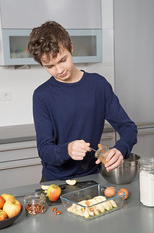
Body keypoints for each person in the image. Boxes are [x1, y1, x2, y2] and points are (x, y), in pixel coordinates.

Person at [28, 21, 137, 182]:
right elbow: (44, 150)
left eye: (63, 60)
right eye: (50, 66)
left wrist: (121, 149)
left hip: (92, 178)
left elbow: (128, 127)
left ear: (71, 47)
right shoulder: (41, 95)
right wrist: (67, 150)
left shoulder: (98, 86)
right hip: (54, 182)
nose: (59, 70)